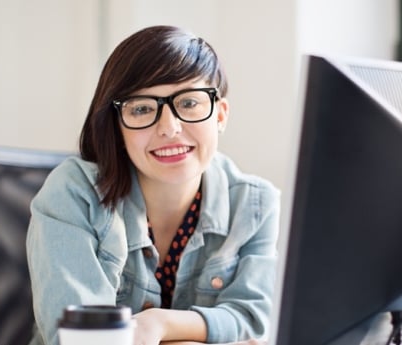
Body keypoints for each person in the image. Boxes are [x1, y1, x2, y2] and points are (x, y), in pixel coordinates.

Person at [26, 25, 280, 345]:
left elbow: (254, 320)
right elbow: (82, 340)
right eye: (143, 108)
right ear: (117, 126)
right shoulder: (72, 193)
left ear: (220, 115)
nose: (169, 128)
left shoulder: (255, 204)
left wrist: (159, 324)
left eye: (189, 103)